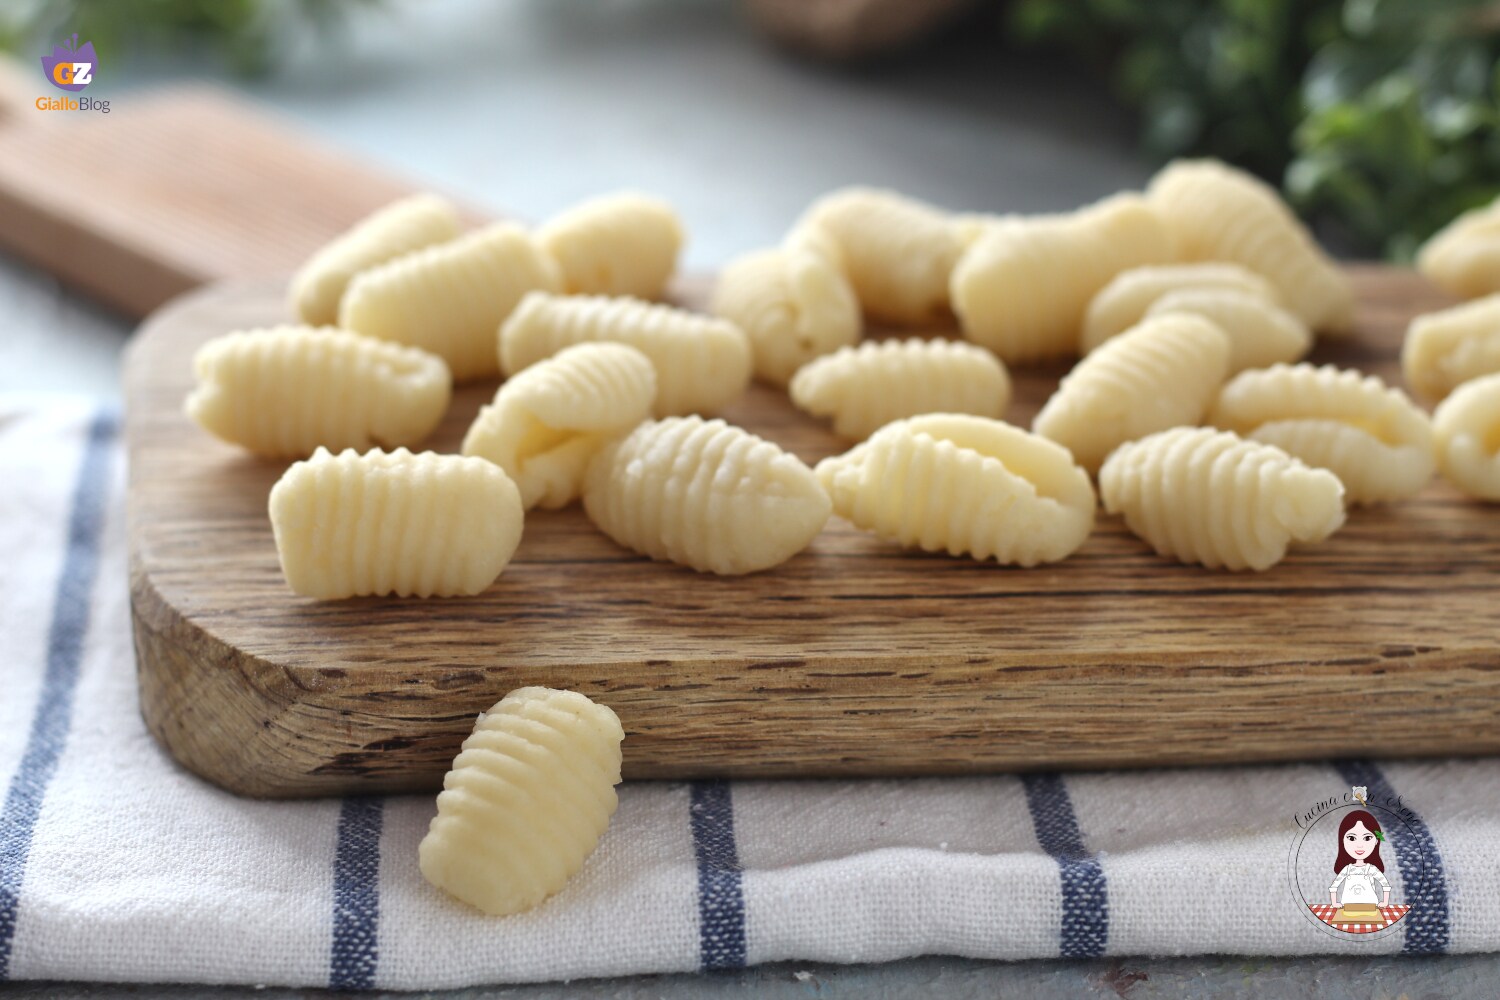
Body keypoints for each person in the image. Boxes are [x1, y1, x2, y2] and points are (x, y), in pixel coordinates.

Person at [1329, 809, 1392, 908]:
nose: (1359, 845)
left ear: (1376, 841)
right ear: (1342, 841)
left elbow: (1386, 885)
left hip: (1370, 907)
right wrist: (1334, 903)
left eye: (1367, 838)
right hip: (1348, 907)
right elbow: (1333, 887)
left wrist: (1384, 902)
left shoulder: (1371, 869)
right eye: (1351, 838)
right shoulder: (1347, 869)